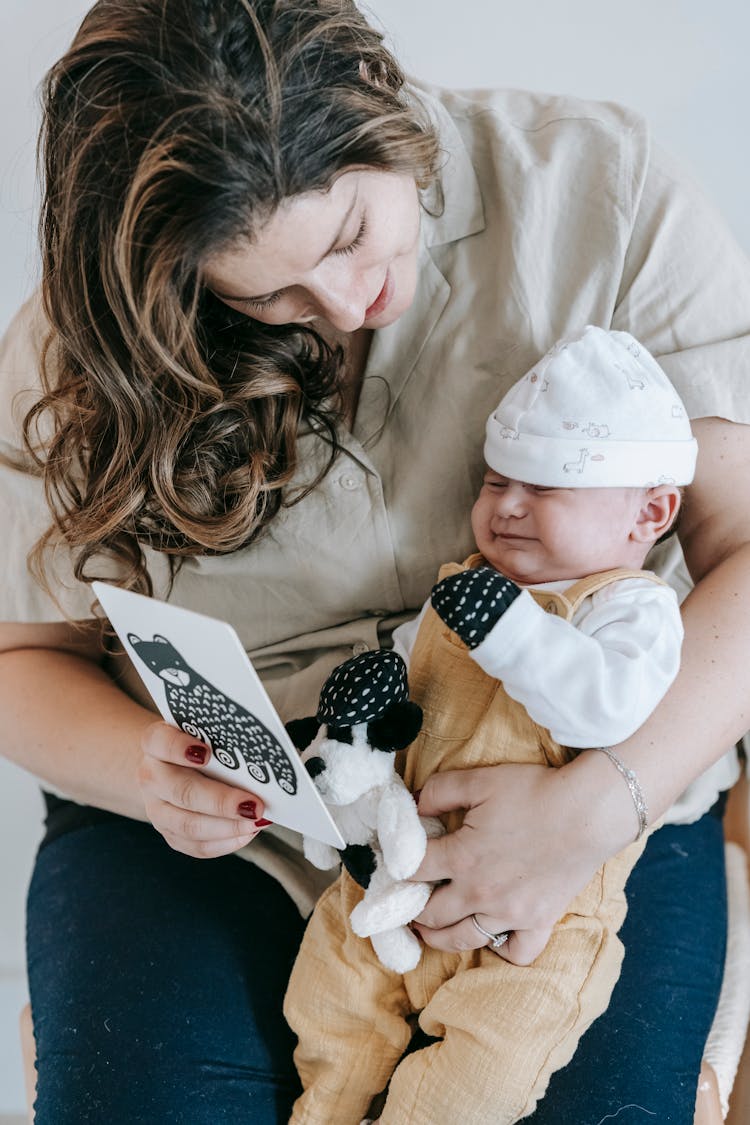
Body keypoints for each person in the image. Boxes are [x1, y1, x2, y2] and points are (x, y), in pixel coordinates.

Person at [0, 1, 748, 1121]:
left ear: (373, 93)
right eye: (270, 294)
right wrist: (147, 769)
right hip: (241, 834)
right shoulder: (93, 343)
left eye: (351, 233)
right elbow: (22, 653)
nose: (349, 304)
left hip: (595, 798)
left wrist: (600, 806)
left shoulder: (606, 194)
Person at [284, 325, 695, 1124]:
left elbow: (607, 708)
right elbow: (411, 676)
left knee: (484, 1074)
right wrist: (360, 713)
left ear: (649, 510)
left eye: (543, 490)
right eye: (496, 480)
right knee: (329, 1000)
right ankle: (327, 1105)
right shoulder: (465, 589)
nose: (505, 506)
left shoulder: (634, 611)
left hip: (540, 921)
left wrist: (511, 630)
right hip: (402, 866)